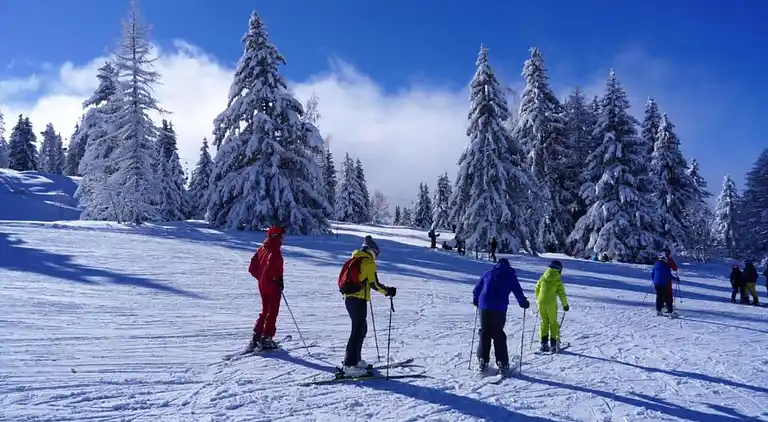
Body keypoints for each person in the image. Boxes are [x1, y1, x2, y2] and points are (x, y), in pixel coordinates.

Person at [340, 235, 397, 377]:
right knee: (357, 331)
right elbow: (374, 284)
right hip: (358, 300)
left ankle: (356, 360)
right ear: (373, 251)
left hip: (350, 299)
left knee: (361, 329)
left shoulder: (355, 258)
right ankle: (350, 365)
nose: (376, 257)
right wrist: (388, 291)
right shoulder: (368, 262)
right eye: (376, 254)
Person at [472, 258, 530, 372]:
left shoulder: (488, 273)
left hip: (484, 306)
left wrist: (476, 299)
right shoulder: (510, 275)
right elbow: (517, 291)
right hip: (499, 307)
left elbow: (477, 288)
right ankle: (502, 362)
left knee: (485, 331)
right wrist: (523, 302)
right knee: (498, 333)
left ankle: (483, 359)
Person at [246, 226, 285, 352]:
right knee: (272, 311)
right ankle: (266, 338)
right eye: (282, 235)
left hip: (263, 285)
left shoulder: (262, 247)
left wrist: (261, 277)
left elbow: (252, 267)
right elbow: (272, 267)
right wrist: (276, 279)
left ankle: (256, 336)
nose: (283, 238)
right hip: (272, 286)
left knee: (265, 311)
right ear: (276, 236)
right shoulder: (275, 250)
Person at [535, 260, 570, 353]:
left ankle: (543, 343)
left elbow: (537, 288)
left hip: (541, 302)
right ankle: (554, 344)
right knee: (553, 322)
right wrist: (565, 305)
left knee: (544, 322)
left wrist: (538, 299)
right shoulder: (558, 280)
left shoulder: (543, 277)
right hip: (551, 304)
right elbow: (562, 294)